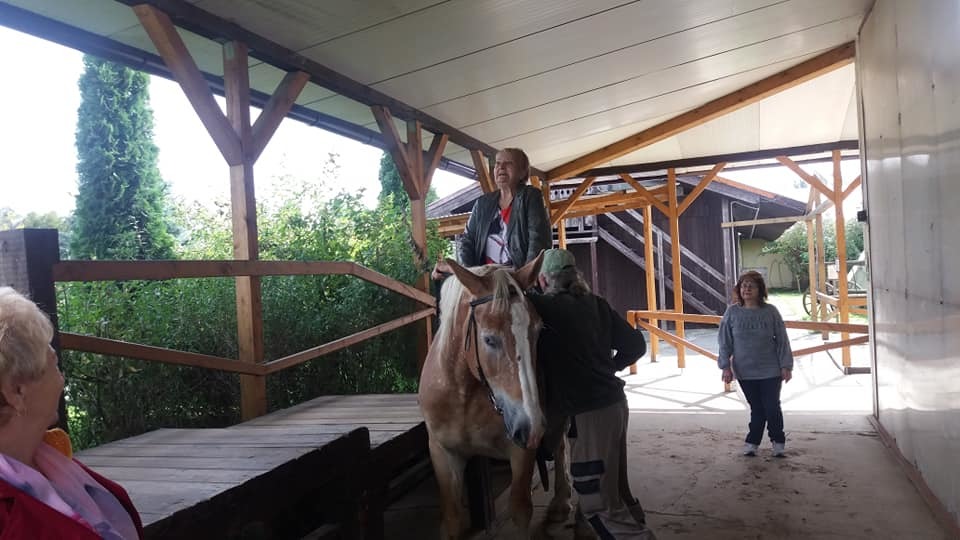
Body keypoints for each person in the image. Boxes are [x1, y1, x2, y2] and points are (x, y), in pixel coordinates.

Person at [529, 249, 656, 539]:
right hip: (615, 405)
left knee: (597, 502)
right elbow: (636, 346)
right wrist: (607, 368)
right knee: (617, 490)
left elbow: (507, 298)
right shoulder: (597, 304)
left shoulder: (546, 307)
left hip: (589, 415)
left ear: (544, 280)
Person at [0, 287, 144, 539]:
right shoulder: (8, 522)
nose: (62, 379)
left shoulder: (47, 455)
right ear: (16, 391)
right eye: (54, 364)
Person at [432, 147, 551, 279]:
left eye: (509, 163)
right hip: (485, 279)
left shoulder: (530, 196)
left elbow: (538, 240)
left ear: (523, 172)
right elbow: (467, 240)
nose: (501, 167)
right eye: (498, 163)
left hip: (517, 279)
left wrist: (526, 277)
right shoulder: (483, 203)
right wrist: (469, 276)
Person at [718, 271, 794, 457]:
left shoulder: (771, 312)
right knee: (757, 408)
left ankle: (778, 441)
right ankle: (752, 442)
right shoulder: (732, 313)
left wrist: (786, 365)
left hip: (770, 369)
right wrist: (725, 367)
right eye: (743, 285)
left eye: (751, 285)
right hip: (745, 370)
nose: (747, 289)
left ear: (760, 289)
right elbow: (724, 342)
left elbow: (782, 340)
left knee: (772, 406)